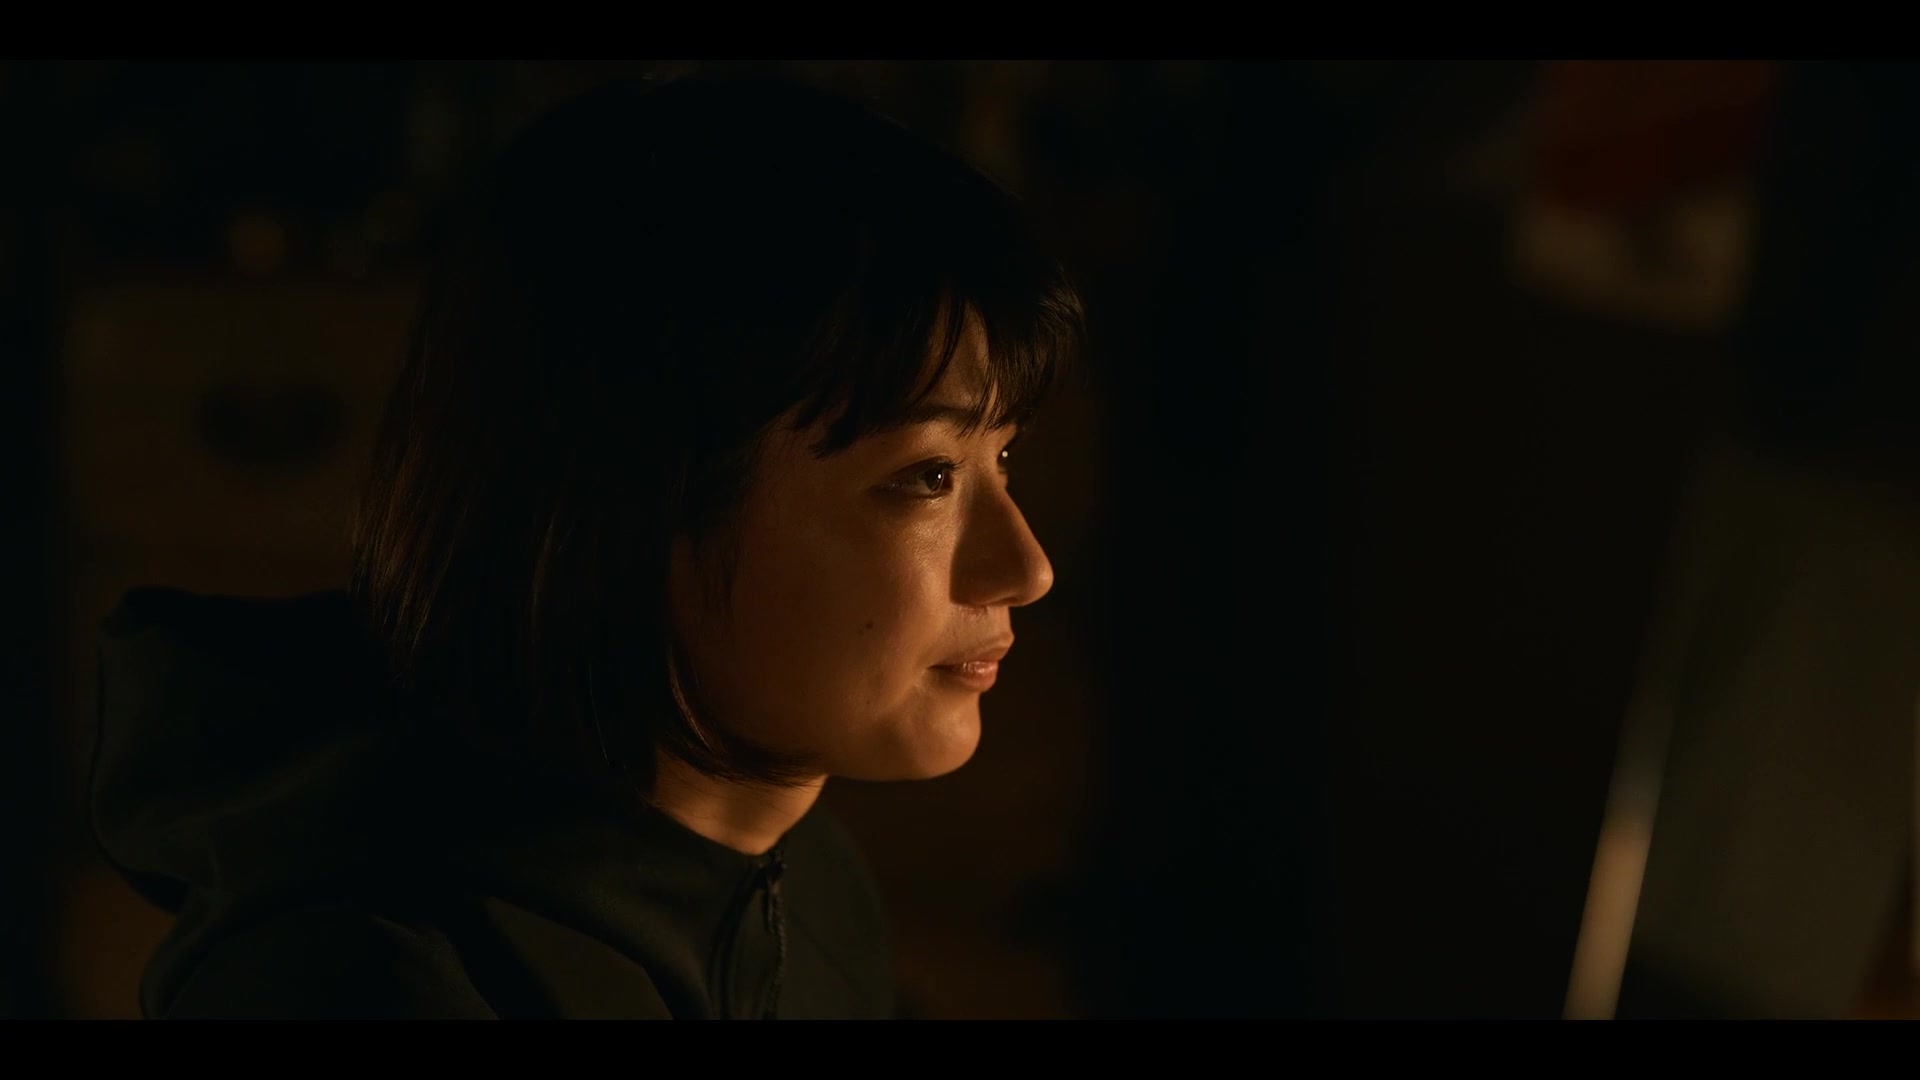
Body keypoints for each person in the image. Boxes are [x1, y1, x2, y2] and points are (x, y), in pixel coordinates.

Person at [87, 70, 1083, 1020]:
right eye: (929, 476)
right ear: (639, 498)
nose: (1027, 568)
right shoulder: (372, 977)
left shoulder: (804, 883)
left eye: (1002, 456)